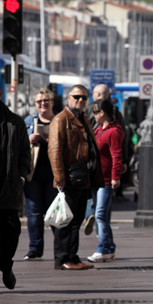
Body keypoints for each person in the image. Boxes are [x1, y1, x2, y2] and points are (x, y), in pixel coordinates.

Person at [48, 85, 103, 270]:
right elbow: (54, 151)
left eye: (84, 98)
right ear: (69, 98)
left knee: (77, 219)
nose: (80, 100)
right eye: (77, 97)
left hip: (82, 176)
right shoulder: (61, 119)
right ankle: (63, 258)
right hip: (69, 177)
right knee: (65, 220)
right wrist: (60, 178)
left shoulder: (83, 119)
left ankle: (73, 256)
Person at [0, 80, 31, 292]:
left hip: (8, 188)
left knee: (9, 236)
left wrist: (22, 177)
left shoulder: (15, 123)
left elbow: (25, 154)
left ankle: (5, 266)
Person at [87, 99, 124, 263]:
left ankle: (103, 248)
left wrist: (116, 177)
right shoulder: (99, 130)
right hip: (97, 178)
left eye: (95, 112)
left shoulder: (113, 132)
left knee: (100, 215)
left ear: (102, 113)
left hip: (106, 180)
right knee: (101, 215)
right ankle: (108, 247)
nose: (93, 115)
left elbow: (117, 155)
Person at [23, 88, 58, 261]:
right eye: (39, 102)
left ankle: (60, 248)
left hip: (54, 174)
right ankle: (35, 248)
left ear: (52, 102)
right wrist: (28, 139)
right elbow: (18, 144)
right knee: (34, 213)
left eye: (46, 101)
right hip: (33, 174)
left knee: (55, 213)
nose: (43, 104)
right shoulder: (29, 121)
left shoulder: (59, 120)